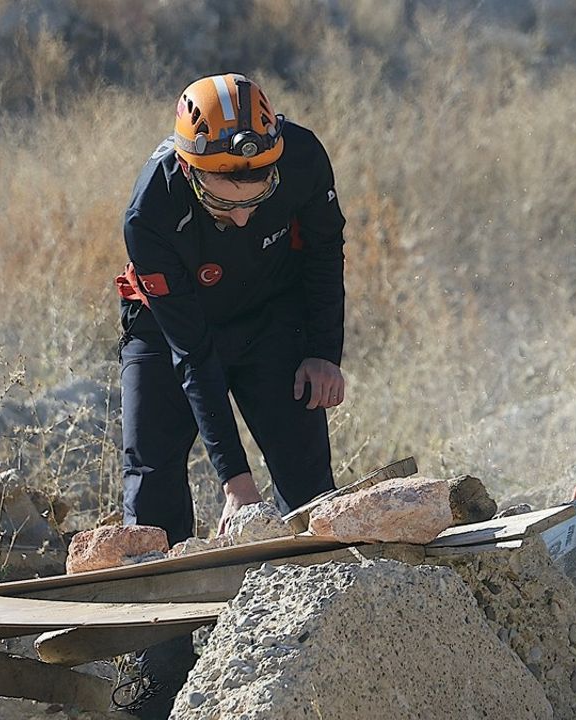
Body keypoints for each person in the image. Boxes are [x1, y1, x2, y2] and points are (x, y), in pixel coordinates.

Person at [113, 72, 346, 717]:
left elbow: (326, 251)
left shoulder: (301, 157)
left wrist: (323, 350)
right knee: (155, 488)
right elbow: (193, 357)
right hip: (169, 335)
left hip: (269, 317)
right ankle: (159, 684)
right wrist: (235, 479)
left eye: (256, 196)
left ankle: (321, 651)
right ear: (191, 173)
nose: (243, 214)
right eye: (224, 204)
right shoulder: (151, 212)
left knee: (310, 488)